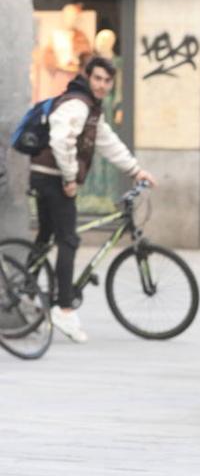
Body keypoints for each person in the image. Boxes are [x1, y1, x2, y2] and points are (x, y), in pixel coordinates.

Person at [29, 56, 158, 343]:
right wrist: (70, 178)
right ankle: (63, 308)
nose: (101, 85)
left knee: (48, 235)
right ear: (87, 77)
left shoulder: (91, 109)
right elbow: (60, 139)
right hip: (52, 177)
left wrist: (136, 171)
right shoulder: (78, 103)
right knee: (69, 240)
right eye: (97, 78)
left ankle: (25, 290)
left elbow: (109, 143)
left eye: (107, 81)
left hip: (48, 175)